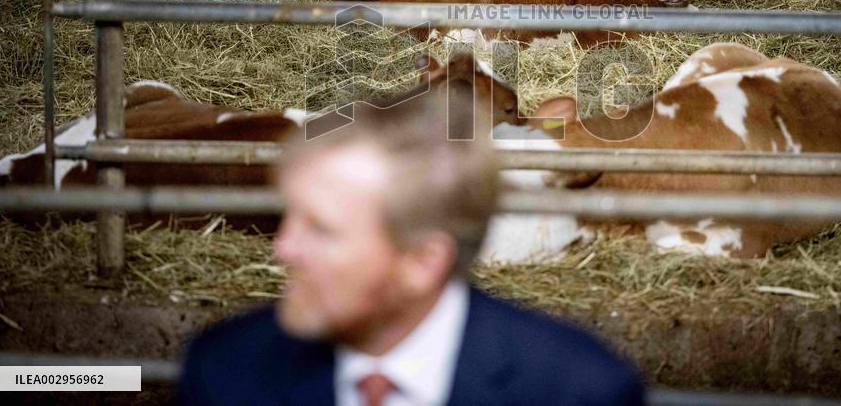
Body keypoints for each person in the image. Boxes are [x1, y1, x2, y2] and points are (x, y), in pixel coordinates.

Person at [177, 88, 645, 405]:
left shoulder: (580, 391)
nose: (282, 248)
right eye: (288, 217)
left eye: (321, 229)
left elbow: (560, 120)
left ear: (423, 261)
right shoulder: (222, 370)